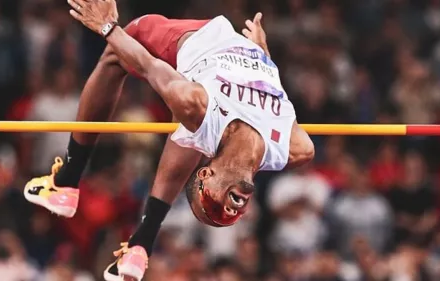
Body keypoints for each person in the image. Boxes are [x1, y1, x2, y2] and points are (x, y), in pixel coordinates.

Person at [23, 0, 315, 280]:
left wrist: (108, 28)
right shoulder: (204, 111)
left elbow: (148, 64)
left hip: (216, 59)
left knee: (118, 59)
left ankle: (67, 184)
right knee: (193, 125)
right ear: (205, 172)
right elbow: (147, 66)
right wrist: (108, 28)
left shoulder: (293, 149)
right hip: (207, 40)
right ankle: (140, 242)